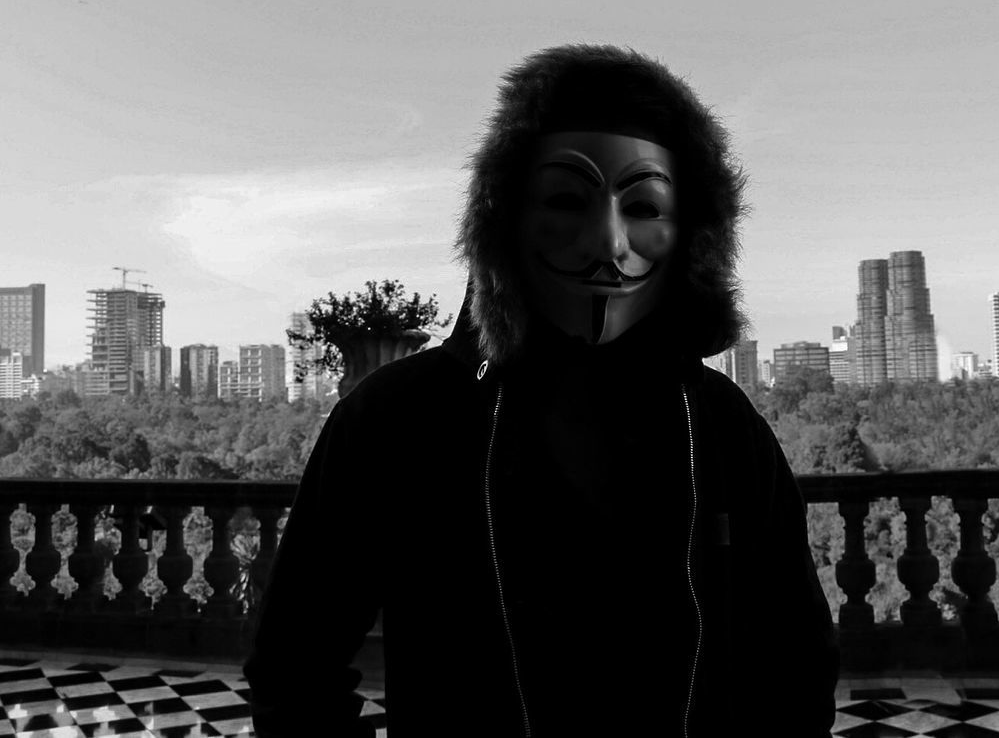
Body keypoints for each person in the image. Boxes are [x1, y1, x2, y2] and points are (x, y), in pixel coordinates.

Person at [244, 44, 839, 736]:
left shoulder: (722, 425)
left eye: (644, 203)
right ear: (505, 219)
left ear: (692, 233)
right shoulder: (395, 419)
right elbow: (294, 663)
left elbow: (794, 663)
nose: (608, 242)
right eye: (565, 198)